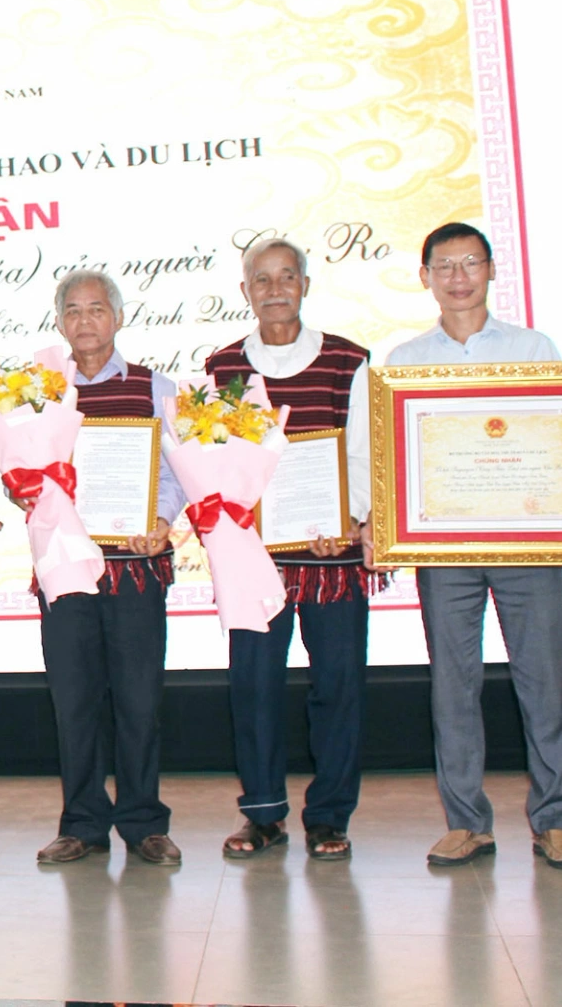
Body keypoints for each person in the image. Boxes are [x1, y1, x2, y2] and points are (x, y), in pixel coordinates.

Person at [388, 221, 562, 871]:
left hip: (529, 545)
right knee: (453, 687)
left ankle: (555, 821)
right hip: (445, 553)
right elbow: (391, 461)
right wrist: (376, 522)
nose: (458, 276)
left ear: (492, 270)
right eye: (444, 265)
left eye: (470, 262)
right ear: (425, 278)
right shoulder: (405, 363)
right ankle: (467, 823)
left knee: (545, 682)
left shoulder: (535, 346)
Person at [205, 237, 377, 862]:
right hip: (255, 557)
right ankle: (263, 815)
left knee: (338, 687)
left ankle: (330, 816)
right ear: (245, 290)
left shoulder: (347, 361)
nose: (275, 289)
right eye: (262, 279)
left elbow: (361, 451)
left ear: (305, 284)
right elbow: (216, 462)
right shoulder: (223, 368)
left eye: (287, 277)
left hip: (332, 557)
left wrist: (350, 516)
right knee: (253, 686)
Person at [32, 270, 186, 866]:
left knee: (139, 700)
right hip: (66, 569)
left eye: (97, 309)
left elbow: (178, 469)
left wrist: (164, 521)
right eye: (73, 311)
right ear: (60, 322)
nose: (85, 321)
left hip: (135, 567)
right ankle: (82, 823)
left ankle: (145, 822)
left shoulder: (155, 387)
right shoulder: (39, 392)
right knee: (73, 701)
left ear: (117, 318)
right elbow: (22, 466)